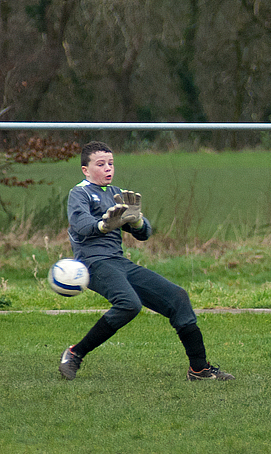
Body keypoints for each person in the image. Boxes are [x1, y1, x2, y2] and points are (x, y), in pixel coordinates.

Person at [59, 141, 234, 381]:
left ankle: (199, 369)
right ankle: (74, 354)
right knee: (129, 304)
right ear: (85, 170)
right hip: (93, 263)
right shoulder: (79, 193)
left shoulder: (115, 193)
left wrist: (136, 220)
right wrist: (103, 224)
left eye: (111, 163)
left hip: (119, 262)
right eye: (100, 164)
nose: (108, 168)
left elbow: (144, 234)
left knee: (177, 297)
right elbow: (81, 225)